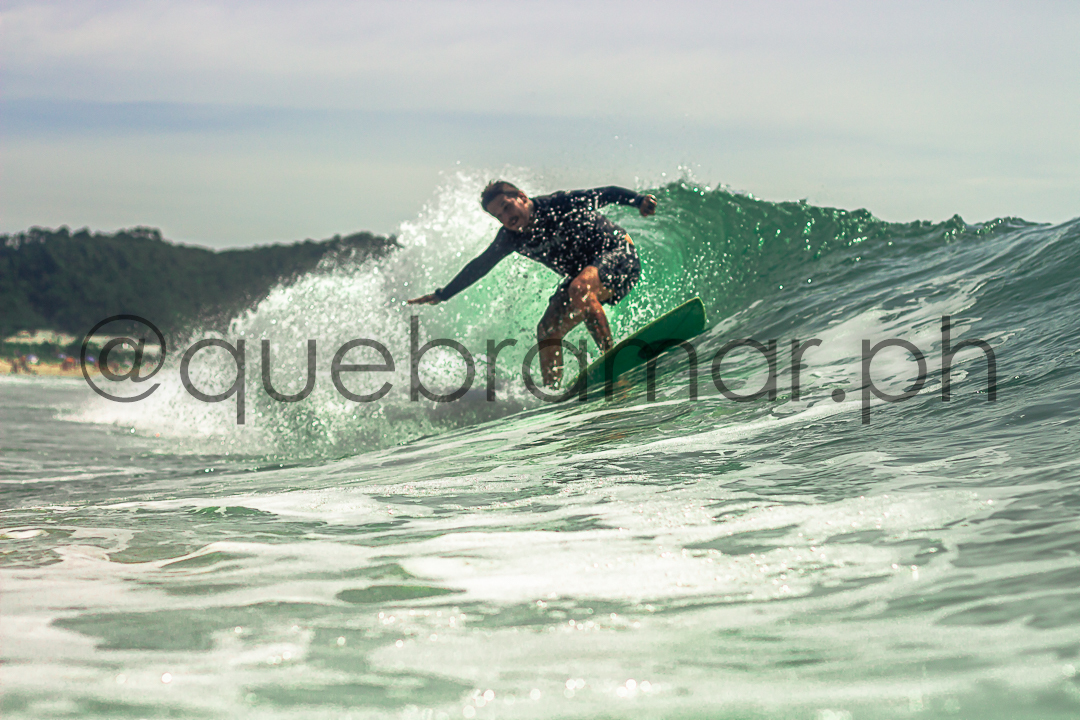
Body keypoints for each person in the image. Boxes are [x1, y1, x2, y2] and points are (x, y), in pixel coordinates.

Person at [409, 181, 657, 387]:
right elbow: (480, 266)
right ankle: (553, 390)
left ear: (522, 196)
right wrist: (443, 294)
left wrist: (639, 201)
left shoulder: (558, 203)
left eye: (507, 207)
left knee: (579, 289)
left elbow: (607, 193)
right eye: (499, 216)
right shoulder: (510, 238)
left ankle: (612, 359)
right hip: (584, 277)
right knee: (547, 330)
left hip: (619, 255)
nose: (506, 217)